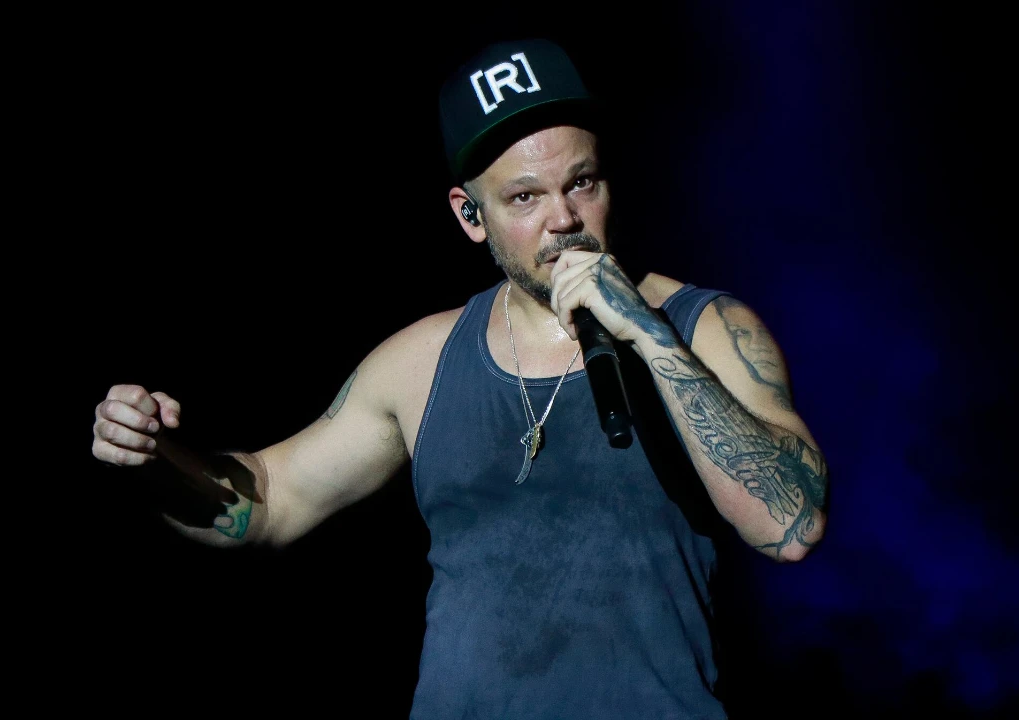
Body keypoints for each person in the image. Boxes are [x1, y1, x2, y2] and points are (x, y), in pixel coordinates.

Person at [91, 38, 828, 719]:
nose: (564, 219)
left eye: (582, 182)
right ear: (471, 216)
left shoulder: (702, 327)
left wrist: (648, 335)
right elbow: (270, 503)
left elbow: (791, 528)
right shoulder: (422, 361)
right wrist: (156, 459)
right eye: (525, 197)